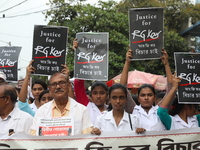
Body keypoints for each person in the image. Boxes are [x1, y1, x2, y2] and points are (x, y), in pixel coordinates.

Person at [120, 48, 165, 131]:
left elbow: (170, 91)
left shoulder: (160, 111)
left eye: (150, 95)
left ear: (154, 97)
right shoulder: (133, 109)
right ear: (138, 98)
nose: (146, 98)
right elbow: (122, 88)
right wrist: (127, 62)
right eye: (143, 95)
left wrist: (166, 64)